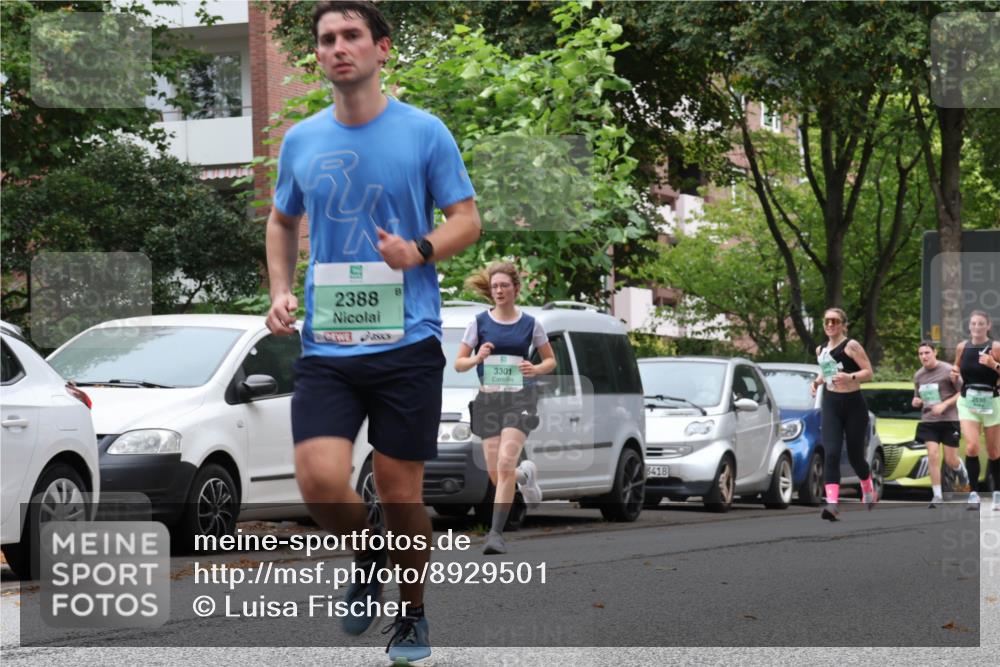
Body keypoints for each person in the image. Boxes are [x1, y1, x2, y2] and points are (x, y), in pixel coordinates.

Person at [264, 2, 481, 663]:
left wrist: (418, 249)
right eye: (327, 39)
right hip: (328, 344)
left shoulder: (424, 132)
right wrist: (279, 288)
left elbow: (466, 220)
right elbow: (280, 222)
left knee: (399, 490)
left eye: (351, 35)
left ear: (381, 48)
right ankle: (367, 552)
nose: (338, 47)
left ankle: (411, 614)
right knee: (319, 478)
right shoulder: (301, 140)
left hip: (408, 342)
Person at [454, 262, 555, 555]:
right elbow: (459, 363)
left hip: (520, 399)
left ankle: (495, 534)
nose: (499, 290)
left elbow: (551, 360)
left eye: (504, 286)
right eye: (495, 286)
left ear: (516, 289)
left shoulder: (531, 323)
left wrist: (534, 368)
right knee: (498, 473)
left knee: (504, 464)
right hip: (488, 401)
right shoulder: (478, 323)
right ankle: (526, 476)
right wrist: (477, 358)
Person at [810, 308, 877, 521]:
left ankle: (867, 487)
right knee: (831, 452)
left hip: (853, 405)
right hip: (831, 404)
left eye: (835, 321)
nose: (830, 325)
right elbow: (827, 371)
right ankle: (832, 504)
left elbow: (869, 373)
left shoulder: (851, 346)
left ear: (843, 325)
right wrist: (818, 381)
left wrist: (850, 377)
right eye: (826, 321)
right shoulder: (820, 349)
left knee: (856, 456)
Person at [949, 310, 1000, 511]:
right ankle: (974, 493)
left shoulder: (996, 347)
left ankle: (997, 493)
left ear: (988, 326)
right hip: (968, 400)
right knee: (971, 447)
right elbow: (956, 367)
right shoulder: (963, 346)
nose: (977, 327)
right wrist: (954, 374)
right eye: (973, 324)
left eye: (981, 324)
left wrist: (993, 364)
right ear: (969, 326)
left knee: (994, 451)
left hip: (992, 402)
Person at [911, 341, 967, 507]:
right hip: (929, 421)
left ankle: (961, 470)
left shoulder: (948, 370)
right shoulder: (918, 375)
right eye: (921, 354)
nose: (924, 356)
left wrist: (944, 404)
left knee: (950, 460)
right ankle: (937, 495)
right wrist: (916, 401)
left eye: (927, 352)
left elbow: (962, 392)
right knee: (933, 455)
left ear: (934, 353)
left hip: (949, 419)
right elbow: (918, 398)